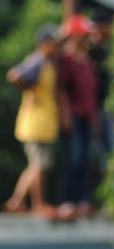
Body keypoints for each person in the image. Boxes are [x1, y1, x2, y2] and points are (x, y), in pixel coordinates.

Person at [4, 24, 61, 218]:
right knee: (39, 165)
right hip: (35, 124)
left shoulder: (47, 63)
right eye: (53, 42)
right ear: (44, 43)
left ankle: (17, 201)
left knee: (35, 165)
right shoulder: (37, 61)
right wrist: (27, 88)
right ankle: (38, 204)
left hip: (43, 124)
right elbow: (14, 75)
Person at [55, 15, 100, 221]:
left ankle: (83, 200)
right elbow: (61, 90)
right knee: (73, 158)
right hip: (72, 115)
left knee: (86, 159)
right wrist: (65, 116)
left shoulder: (88, 61)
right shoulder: (65, 59)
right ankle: (67, 201)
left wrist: (95, 117)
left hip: (87, 117)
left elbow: (92, 94)